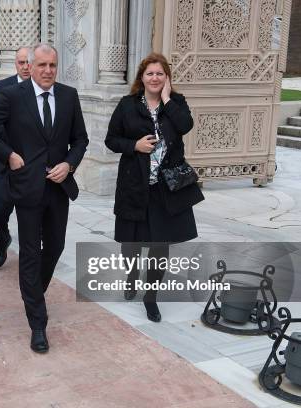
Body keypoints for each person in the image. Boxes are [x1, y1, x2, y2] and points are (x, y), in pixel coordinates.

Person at [0, 44, 88, 353]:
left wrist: (69, 163)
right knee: (30, 254)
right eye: (42, 65)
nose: (48, 71)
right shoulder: (12, 95)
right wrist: (8, 154)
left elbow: (81, 139)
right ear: (31, 67)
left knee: (55, 247)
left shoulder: (68, 95)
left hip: (58, 188)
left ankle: (34, 293)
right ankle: (38, 322)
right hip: (26, 187)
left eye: (53, 65)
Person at [104, 53, 204, 322]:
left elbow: (185, 125)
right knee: (130, 244)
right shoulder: (127, 105)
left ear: (167, 77)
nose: (155, 78)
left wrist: (168, 99)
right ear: (142, 77)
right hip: (134, 186)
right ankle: (132, 275)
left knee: (160, 246)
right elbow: (111, 140)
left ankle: (151, 297)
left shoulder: (177, 103)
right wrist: (134, 145)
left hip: (165, 189)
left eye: (160, 73)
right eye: (150, 73)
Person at [0, 46, 31, 268]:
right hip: (4, 161)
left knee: (31, 214)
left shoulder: (42, 90)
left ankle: (29, 254)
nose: (25, 67)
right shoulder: (1, 88)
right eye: (20, 62)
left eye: (28, 62)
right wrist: (9, 151)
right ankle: (2, 238)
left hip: (32, 165)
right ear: (15, 63)